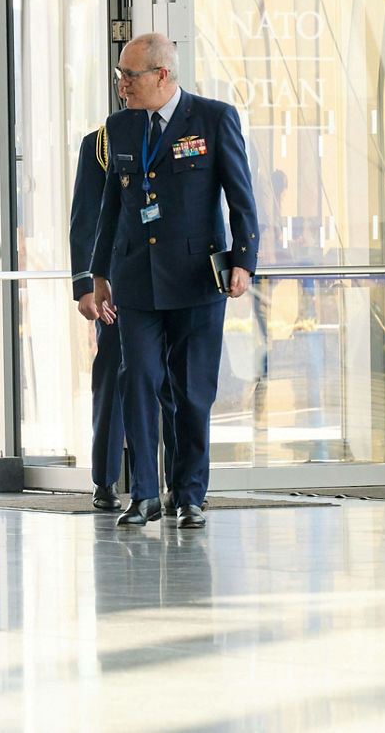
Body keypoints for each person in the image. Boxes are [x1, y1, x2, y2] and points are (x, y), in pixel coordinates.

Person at [91, 33, 258, 529]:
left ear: (162, 75)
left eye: (130, 76)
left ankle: (188, 494)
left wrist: (244, 261)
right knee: (138, 381)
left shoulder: (212, 117)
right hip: (135, 279)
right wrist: (98, 275)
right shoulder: (119, 128)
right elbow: (110, 207)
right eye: (120, 76)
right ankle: (142, 493)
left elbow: (240, 196)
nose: (122, 85)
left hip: (195, 279)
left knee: (191, 392)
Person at [70, 125, 178, 512]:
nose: (126, 86)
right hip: (118, 282)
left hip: (174, 281)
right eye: (123, 77)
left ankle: (178, 487)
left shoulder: (186, 131)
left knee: (175, 383)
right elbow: (87, 217)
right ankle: (106, 478)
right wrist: (85, 283)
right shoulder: (102, 142)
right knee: (114, 376)